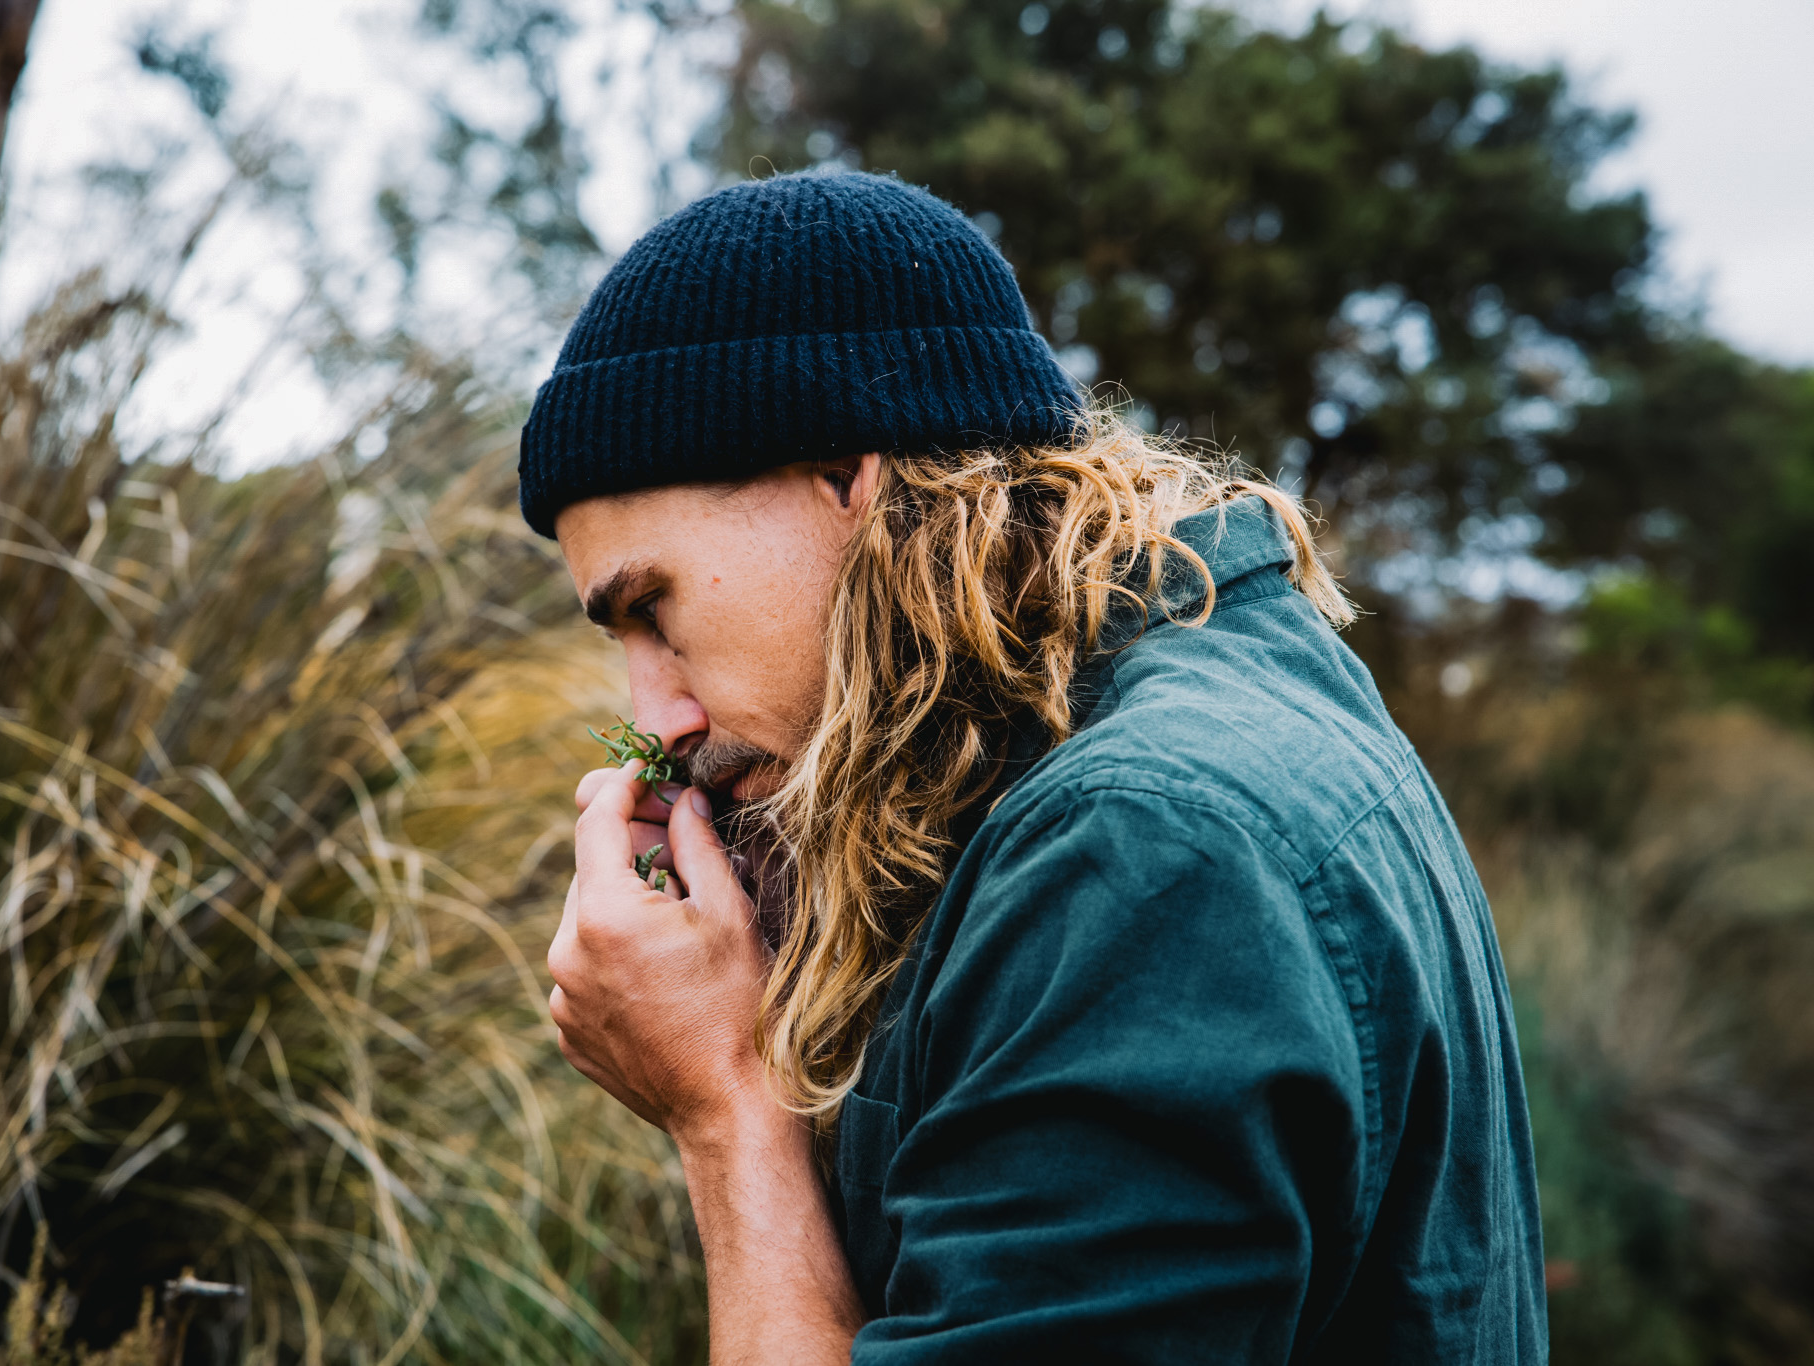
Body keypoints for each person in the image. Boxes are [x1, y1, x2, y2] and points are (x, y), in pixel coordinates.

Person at [524, 171, 1546, 1364]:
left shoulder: (1140, 852)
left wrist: (723, 1109)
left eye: (652, 610)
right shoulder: (1215, 690)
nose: (659, 719)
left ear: (849, 477)